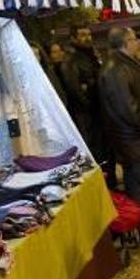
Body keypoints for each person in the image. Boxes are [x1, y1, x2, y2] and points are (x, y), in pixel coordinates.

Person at [98, 27, 140, 241]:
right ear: (125, 42)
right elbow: (127, 108)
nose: (139, 42)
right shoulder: (116, 69)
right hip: (135, 140)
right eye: (135, 39)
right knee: (138, 188)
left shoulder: (127, 64)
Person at [59, 25, 110, 174]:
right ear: (74, 38)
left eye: (88, 34)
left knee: (104, 152)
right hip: (87, 117)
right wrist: (89, 103)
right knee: (95, 152)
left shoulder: (93, 55)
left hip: (99, 113)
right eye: (82, 35)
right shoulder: (72, 60)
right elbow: (75, 90)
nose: (87, 38)